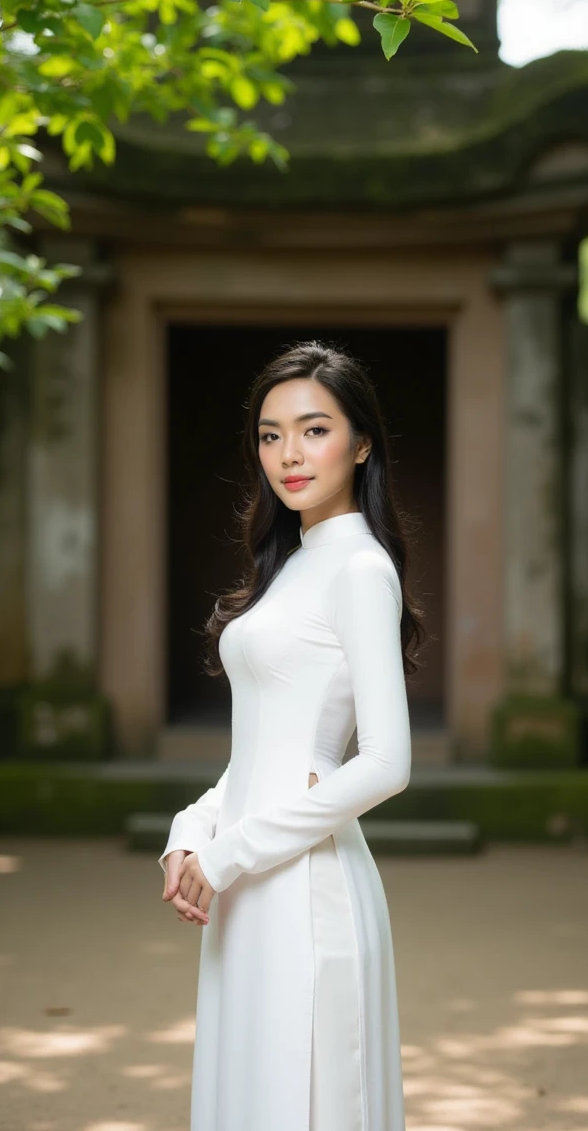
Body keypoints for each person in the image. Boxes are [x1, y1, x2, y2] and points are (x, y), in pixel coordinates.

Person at [159, 341, 426, 1131]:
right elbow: (261, 754)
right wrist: (190, 835)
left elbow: (385, 762)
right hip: (245, 886)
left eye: (314, 430)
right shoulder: (289, 565)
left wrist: (229, 853)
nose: (289, 454)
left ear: (363, 442)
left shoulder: (359, 569)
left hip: (304, 886)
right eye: (270, 435)